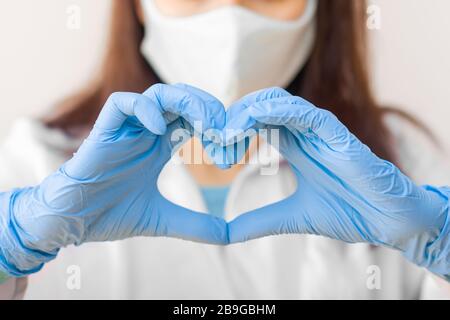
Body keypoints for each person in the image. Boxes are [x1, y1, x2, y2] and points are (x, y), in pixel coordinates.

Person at [0, 0, 448, 299]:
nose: (230, 21)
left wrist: (442, 243)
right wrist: (9, 247)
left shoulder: (405, 167)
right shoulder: (32, 164)